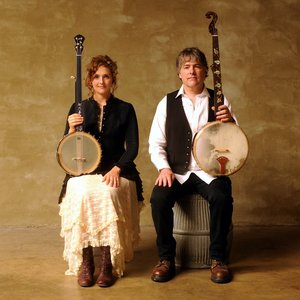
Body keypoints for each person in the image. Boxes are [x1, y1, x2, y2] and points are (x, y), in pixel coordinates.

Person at [148, 47, 236, 284]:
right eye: (186, 67)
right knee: (158, 199)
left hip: (210, 172)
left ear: (206, 71)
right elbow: (156, 142)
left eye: (197, 66)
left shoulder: (220, 100)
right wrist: (164, 168)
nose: (192, 71)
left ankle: (218, 259)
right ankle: (166, 259)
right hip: (177, 172)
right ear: (179, 73)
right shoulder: (166, 103)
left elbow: (234, 140)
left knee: (222, 197)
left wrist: (230, 121)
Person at [58, 54, 143, 288]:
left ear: (113, 79)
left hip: (119, 169)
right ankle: (87, 263)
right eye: (96, 76)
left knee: (108, 193)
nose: (101, 81)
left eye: (106, 76)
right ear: (89, 80)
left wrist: (117, 168)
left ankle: (107, 263)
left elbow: (133, 147)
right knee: (82, 193)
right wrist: (71, 128)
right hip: (84, 171)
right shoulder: (79, 108)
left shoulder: (126, 109)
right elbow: (67, 149)